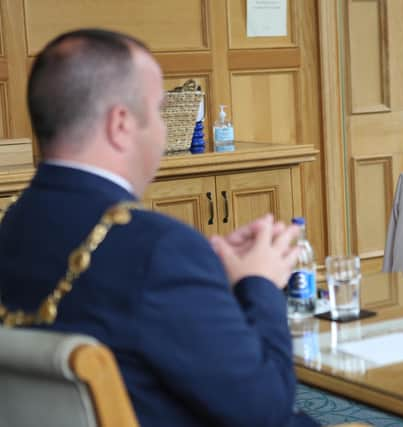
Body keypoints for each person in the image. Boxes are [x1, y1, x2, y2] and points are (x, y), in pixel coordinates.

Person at [0, 29, 318, 427]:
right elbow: (266, 411)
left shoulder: (13, 224)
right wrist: (261, 284)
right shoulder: (158, 249)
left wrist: (209, 277)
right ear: (121, 124)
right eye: (158, 112)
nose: (163, 130)